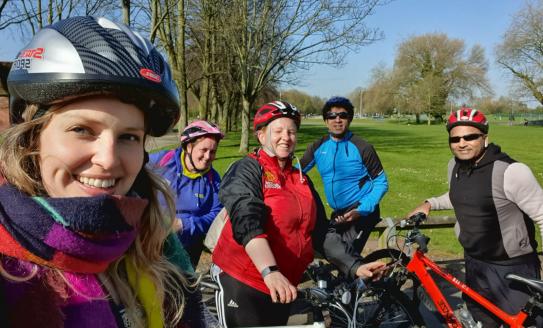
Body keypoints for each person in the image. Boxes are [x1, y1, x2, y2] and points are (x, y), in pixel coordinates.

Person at [0, 16, 217, 327]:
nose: (108, 159)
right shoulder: (7, 269)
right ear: (31, 139)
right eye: (82, 129)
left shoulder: (154, 241)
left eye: (129, 136)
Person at [210, 100, 385, 327]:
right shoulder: (248, 169)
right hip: (244, 281)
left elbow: (321, 232)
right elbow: (246, 219)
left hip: (283, 286)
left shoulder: (301, 179)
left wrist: (355, 266)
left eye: (291, 131)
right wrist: (269, 270)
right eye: (278, 131)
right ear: (262, 136)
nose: (286, 137)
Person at [408, 107, 543, 327]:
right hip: (475, 264)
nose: (462, 143)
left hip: (511, 269)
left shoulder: (511, 172)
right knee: (480, 322)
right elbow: (461, 196)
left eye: (470, 137)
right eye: (455, 139)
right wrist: (430, 203)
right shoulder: (454, 166)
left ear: (485, 137)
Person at [300, 96, 389, 276]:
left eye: (343, 115)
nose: (337, 119)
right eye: (332, 116)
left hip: (362, 211)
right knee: (327, 247)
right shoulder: (318, 146)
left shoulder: (362, 147)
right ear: (326, 121)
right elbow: (296, 172)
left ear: (349, 119)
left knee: (346, 259)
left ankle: (361, 293)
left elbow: (381, 182)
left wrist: (362, 210)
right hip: (339, 212)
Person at [149, 120, 224, 268]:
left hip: (187, 247)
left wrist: (185, 224)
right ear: (189, 147)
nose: (208, 156)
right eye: (203, 150)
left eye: (213, 151)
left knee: (181, 288)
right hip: (151, 242)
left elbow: (216, 215)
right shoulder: (162, 161)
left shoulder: (213, 180)